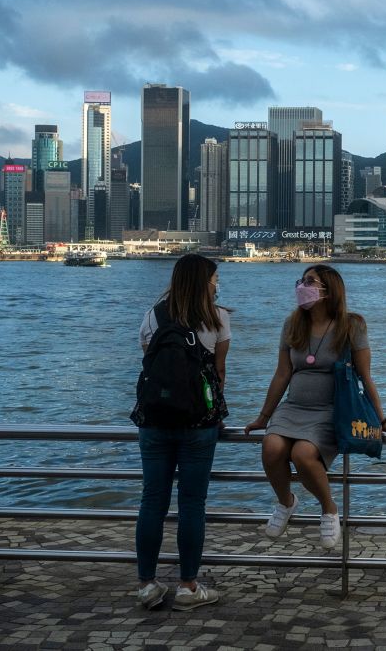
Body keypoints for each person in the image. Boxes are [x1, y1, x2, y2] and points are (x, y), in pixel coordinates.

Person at [244, 264, 386, 549]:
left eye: (310, 281)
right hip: (294, 407)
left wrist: (382, 418)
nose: (303, 285)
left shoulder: (352, 325)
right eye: (302, 280)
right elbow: (282, 373)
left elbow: (365, 375)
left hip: (330, 410)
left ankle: (329, 510)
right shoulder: (293, 324)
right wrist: (263, 416)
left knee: (304, 454)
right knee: (272, 448)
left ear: (329, 289)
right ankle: (285, 502)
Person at [134, 253, 230, 611]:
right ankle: (188, 586)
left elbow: (151, 366)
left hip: (154, 421)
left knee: (152, 501)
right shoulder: (218, 319)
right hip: (198, 424)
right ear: (204, 282)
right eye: (215, 279)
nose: (218, 284)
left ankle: (147, 585)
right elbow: (218, 374)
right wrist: (216, 413)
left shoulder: (151, 317)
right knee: (192, 503)